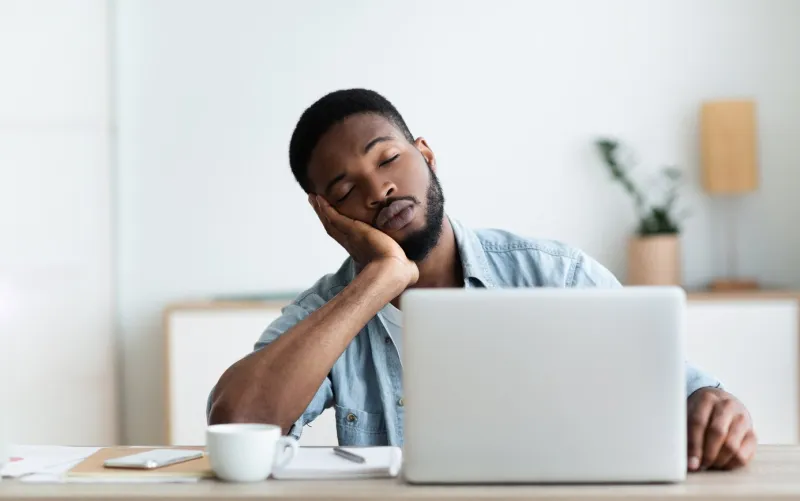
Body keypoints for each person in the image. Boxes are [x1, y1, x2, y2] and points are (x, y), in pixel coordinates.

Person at [207, 88, 756, 471]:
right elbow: (237, 420)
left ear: (426, 156)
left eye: (389, 159)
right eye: (348, 190)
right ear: (328, 214)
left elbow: (684, 392)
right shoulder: (329, 311)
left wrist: (715, 409)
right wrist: (380, 279)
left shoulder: (553, 274)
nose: (379, 190)